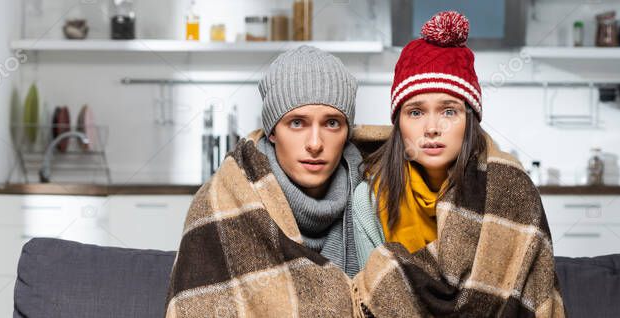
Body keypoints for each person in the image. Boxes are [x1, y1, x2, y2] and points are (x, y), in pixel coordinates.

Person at [351, 11, 565, 317]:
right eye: (415, 112)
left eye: (448, 111)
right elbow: (375, 297)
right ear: (398, 123)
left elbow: (527, 290)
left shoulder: (505, 191)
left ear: (470, 121)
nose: (432, 127)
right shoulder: (370, 201)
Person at [165, 46, 382, 317]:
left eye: (332, 124)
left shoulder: (376, 195)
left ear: (347, 132)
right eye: (297, 123)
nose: (315, 144)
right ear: (272, 133)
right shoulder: (223, 200)